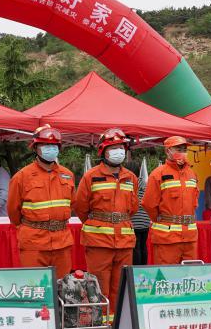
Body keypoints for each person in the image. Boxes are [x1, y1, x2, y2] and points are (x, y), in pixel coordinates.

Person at [73, 128, 139, 311]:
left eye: (121, 147)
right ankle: (100, 325)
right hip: (99, 242)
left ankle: (118, 323)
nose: (119, 151)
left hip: (124, 242)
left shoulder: (131, 178)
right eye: (113, 148)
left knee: (121, 286)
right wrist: (100, 223)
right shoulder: (91, 177)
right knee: (98, 287)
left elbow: (133, 208)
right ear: (103, 151)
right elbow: (80, 207)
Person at [7, 125, 75, 280]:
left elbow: (73, 203)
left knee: (63, 287)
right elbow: (13, 211)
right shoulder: (22, 176)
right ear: (35, 148)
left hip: (62, 242)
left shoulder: (67, 175)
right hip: (34, 242)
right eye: (45, 145)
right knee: (36, 286)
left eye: (54, 145)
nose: (51, 148)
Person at [142, 136, 200, 265]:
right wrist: (161, 219)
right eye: (178, 149)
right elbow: (148, 203)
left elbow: (195, 201)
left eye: (184, 149)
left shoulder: (192, 174)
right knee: (166, 274)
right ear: (168, 151)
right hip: (166, 238)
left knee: (190, 274)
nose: (182, 152)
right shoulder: (158, 174)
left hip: (189, 238)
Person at [131, 170, 151, 266]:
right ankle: (144, 266)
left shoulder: (132, 185)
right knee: (143, 246)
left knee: (136, 247)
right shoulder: (146, 185)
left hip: (135, 220)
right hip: (145, 220)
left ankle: (137, 268)